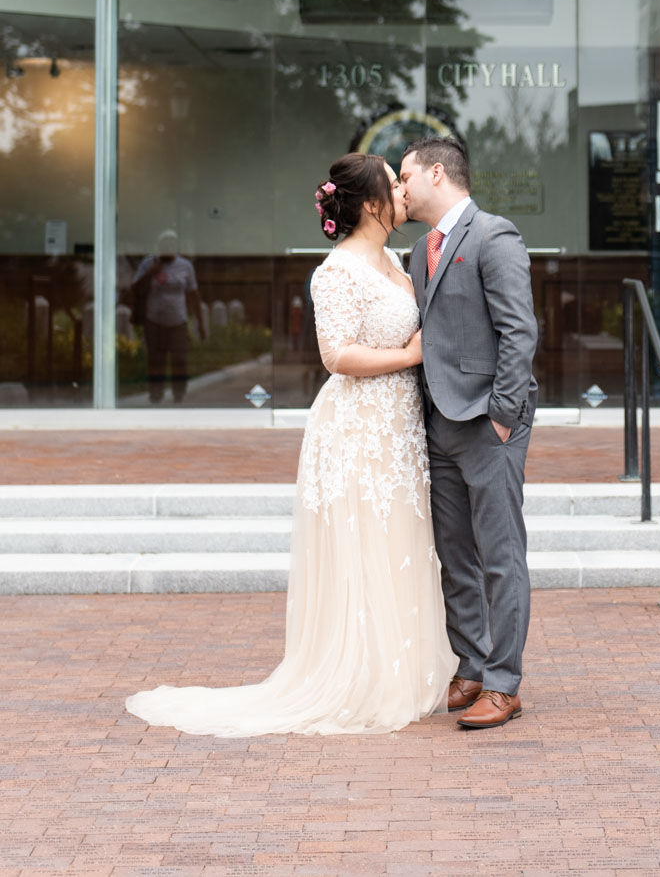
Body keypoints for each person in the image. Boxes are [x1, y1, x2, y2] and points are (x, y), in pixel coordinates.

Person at [125, 154, 457, 737]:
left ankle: (402, 667)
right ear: (372, 204)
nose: (404, 191)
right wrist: (409, 355)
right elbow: (337, 355)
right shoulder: (335, 272)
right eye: (394, 182)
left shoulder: (398, 262)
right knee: (364, 541)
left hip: (401, 426)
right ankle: (362, 676)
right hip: (357, 426)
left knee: (401, 539)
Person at [400, 136, 538, 730]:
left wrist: (502, 414)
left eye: (405, 177)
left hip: (489, 422)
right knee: (454, 556)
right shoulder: (416, 252)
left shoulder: (493, 235)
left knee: (500, 556)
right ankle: (472, 667)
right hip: (438, 423)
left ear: (437, 172)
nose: (400, 189)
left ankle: (505, 683)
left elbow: (519, 332)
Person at [131, 230, 207, 405]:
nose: (168, 248)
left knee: (179, 359)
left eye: (172, 245)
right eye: (165, 245)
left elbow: (193, 295)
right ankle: (156, 394)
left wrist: (200, 323)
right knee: (156, 359)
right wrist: (151, 272)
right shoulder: (148, 262)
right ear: (159, 247)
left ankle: (178, 394)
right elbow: (135, 288)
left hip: (178, 321)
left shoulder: (185, 266)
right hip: (154, 320)